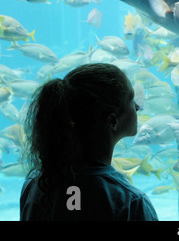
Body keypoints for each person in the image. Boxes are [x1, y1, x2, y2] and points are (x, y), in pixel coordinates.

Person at [20, 63, 158, 221]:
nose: (138, 107)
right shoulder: (130, 201)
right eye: (131, 100)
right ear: (112, 120)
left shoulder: (35, 185)